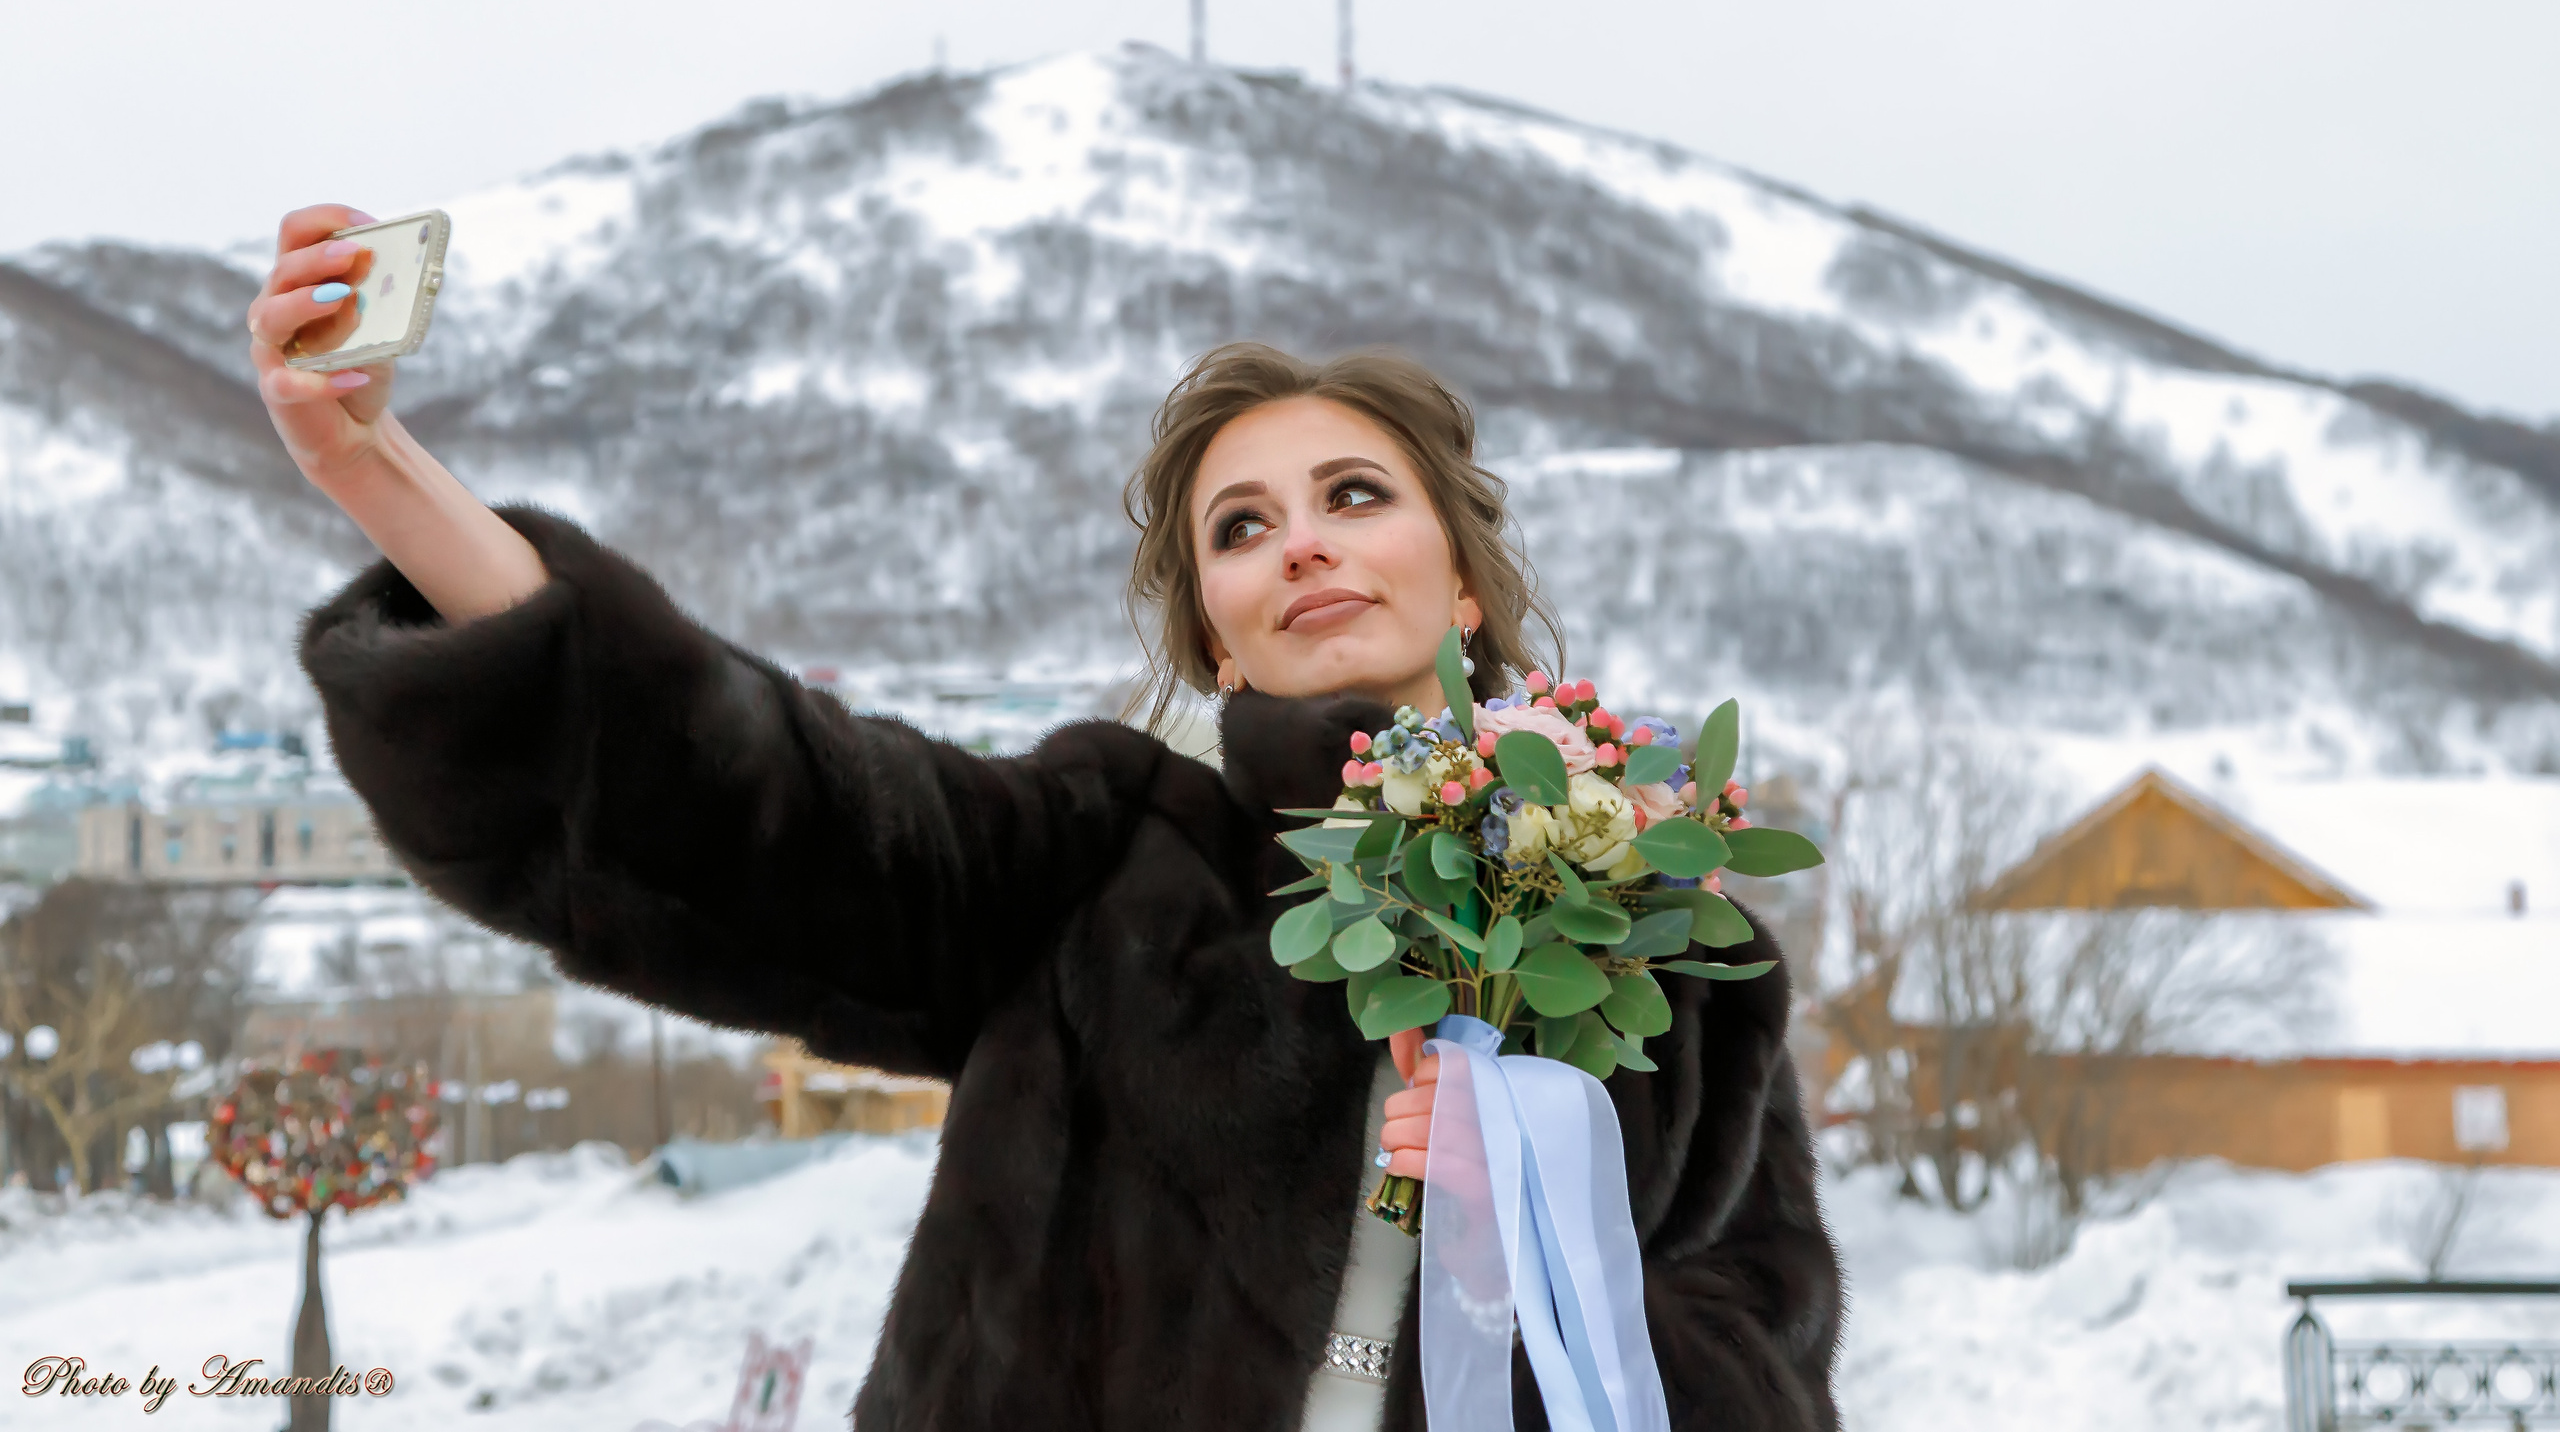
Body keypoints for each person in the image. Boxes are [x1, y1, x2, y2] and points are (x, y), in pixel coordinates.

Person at [249, 204, 1843, 1430]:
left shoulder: (1676, 942)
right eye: (1244, 524)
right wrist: (380, 467)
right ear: (1219, 630)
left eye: (1355, 494)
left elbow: (1762, 1358)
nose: (1302, 544)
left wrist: (1540, 1252)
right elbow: (765, 810)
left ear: (1468, 576)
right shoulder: (1103, 854)